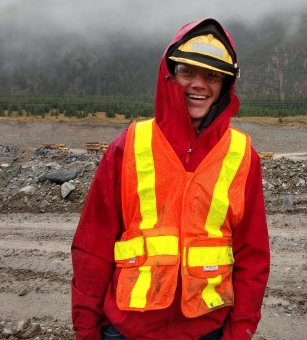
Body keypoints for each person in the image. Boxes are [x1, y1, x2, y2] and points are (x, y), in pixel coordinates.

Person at [71, 18, 270, 340]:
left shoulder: (242, 155)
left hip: (206, 330)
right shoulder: (129, 145)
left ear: (225, 84)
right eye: (187, 72)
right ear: (169, 75)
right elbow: (93, 246)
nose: (198, 84)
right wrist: (86, 328)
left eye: (211, 76)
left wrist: (240, 331)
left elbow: (253, 256)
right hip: (127, 329)